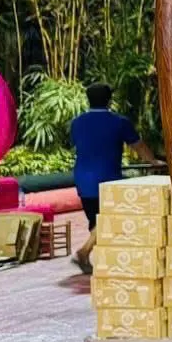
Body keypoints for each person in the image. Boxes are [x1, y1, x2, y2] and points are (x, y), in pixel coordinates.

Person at [70, 82, 153, 274]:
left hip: (83, 178)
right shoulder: (119, 122)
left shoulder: (77, 122)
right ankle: (84, 252)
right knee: (110, 218)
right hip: (108, 178)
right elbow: (138, 146)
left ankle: (90, 256)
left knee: (96, 221)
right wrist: (153, 161)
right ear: (109, 100)